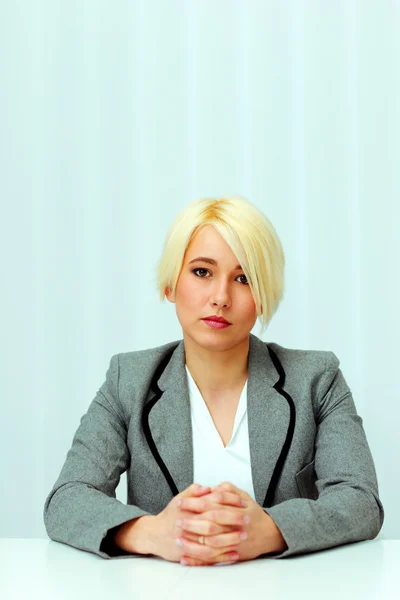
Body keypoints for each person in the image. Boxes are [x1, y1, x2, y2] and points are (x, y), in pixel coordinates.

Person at [43, 195, 384, 566]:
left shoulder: (316, 378)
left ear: (263, 298)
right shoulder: (129, 379)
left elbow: (360, 499)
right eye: (202, 272)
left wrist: (269, 530)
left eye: (243, 278)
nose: (221, 297)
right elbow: (67, 498)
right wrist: (151, 532)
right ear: (170, 285)